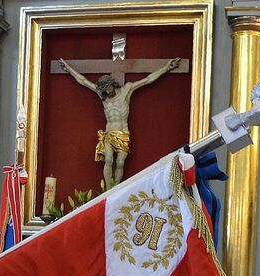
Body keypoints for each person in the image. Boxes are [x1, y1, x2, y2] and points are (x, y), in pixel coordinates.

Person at [58, 56, 180, 187]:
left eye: (108, 88)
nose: (106, 91)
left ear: (112, 84)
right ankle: (108, 190)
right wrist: (69, 69)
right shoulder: (103, 96)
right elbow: (83, 81)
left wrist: (166, 68)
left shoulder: (126, 90)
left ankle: (116, 188)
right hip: (109, 133)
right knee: (108, 160)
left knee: (120, 163)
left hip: (123, 132)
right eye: (104, 89)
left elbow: (148, 80)